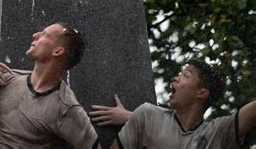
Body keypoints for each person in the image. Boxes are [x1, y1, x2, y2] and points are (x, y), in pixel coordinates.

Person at [0, 21, 101, 148]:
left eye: (44, 34)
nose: (35, 35)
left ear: (58, 51)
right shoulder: (5, 77)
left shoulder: (65, 107)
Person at [89, 58, 256, 148]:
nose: (176, 78)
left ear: (202, 93)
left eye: (186, 75)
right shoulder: (147, 115)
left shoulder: (218, 133)